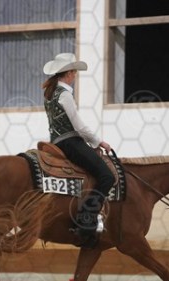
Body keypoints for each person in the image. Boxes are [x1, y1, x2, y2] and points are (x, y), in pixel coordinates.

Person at [42, 53, 115, 243]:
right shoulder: (65, 94)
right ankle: (86, 219)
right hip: (70, 142)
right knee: (107, 176)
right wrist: (99, 142)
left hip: (56, 142)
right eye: (74, 72)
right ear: (68, 73)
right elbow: (78, 126)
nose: (75, 75)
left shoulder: (50, 93)